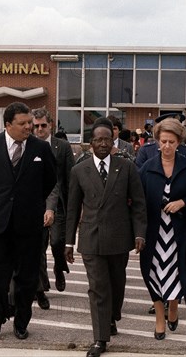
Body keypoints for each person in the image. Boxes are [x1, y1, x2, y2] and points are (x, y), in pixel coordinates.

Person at [0, 101, 57, 340]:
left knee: (27, 276)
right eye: (23, 124)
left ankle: (21, 321)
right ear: (8, 125)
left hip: (28, 224)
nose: (29, 127)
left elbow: (50, 180)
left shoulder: (40, 148)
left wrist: (29, 202)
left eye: (30, 122)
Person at [65, 117, 147, 357]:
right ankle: (100, 339)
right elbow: (72, 208)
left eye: (107, 139)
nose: (102, 144)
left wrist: (140, 233)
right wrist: (69, 241)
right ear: (91, 143)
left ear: (113, 142)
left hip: (119, 238)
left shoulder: (127, 167)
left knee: (116, 283)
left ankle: (112, 316)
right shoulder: (79, 170)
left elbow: (139, 204)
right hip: (91, 237)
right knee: (98, 287)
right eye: (98, 140)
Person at [139, 119, 186, 340]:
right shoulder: (147, 169)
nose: (166, 146)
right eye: (163, 141)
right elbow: (138, 201)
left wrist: (183, 202)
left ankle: (174, 306)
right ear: (157, 141)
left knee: (176, 273)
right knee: (153, 274)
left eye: (171, 142)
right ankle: (159, 317)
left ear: (179, 143)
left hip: (180, 232)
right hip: (154, 232)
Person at [32, 108, 75, 310]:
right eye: (36, 126)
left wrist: (74, 203)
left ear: (50, 126)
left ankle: (59, 267)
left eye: (43, 125)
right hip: (36, 203)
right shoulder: (28, 145)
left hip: (59, 204)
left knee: (57, 242)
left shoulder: (62, 146)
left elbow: (70, 177)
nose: (39, 129)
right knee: (38, 247)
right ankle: (41, 286)